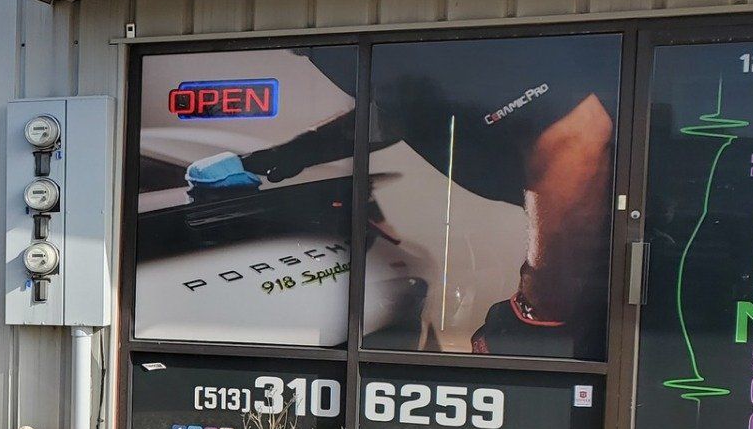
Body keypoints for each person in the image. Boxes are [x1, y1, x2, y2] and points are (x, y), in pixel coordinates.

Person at [186, 44, 616, 358]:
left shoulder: (428, 32)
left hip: (601, 266)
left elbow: (575, 133)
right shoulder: (364, 41)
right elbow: (404, 108)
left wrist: (541, 303)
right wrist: (281, 157)